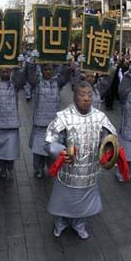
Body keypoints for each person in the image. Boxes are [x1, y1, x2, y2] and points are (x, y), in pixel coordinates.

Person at [44, 81, 117, 239]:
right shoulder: (63, 117)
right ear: (74, 96)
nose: (86, 98)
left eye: (89, 95)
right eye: (82, 95)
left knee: (85, 205)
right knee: (63, 202)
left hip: (90, 172)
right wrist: (62, 152)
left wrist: (107, 150)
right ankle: (60, 223)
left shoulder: (100, 117)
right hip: (68, 172)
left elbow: (111, 139)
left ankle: (79, 224)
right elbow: (50, 143)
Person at [27, 60, 71, 178]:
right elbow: (30, 75)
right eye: (45, 69)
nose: (48, 72)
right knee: (38, 150)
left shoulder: (57, 82)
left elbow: (66, 75)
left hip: (53, 125)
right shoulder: (37, 82)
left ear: (53, 71)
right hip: (40, 124)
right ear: (41, 71)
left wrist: (66, 64)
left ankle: (52, 168)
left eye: (50, 69)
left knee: (52, 149)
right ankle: (38, 169)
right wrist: (31, 62)